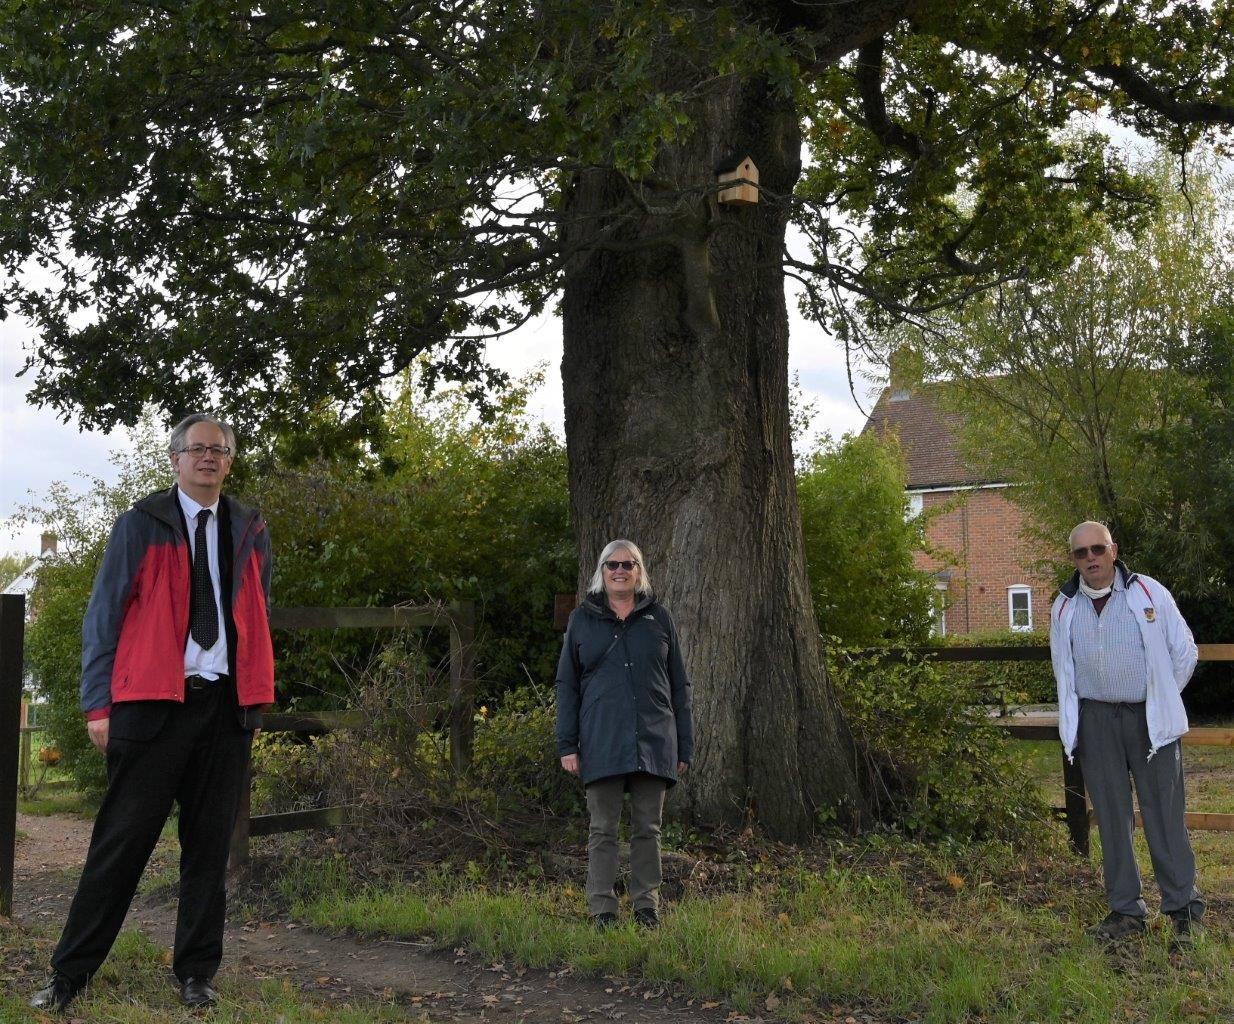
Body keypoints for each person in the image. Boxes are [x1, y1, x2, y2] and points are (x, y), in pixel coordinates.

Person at [31, 414, 274, 1011]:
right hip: (150, 706)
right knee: (120, 845)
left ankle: (196, 974)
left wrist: (253, 691)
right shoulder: (140, 525)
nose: (208, 458)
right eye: (197, 449)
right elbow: (103, 616)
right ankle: (69, 976)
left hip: (225, 708)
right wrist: (98, 704)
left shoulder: (249, 528)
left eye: (219, 450)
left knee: (208, 849)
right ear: (175, 459)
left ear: (231, 460)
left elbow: (256, 608)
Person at [1050, 521, 1203, 947]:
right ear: (1074, 560)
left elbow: (1184, 651)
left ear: (1113, 550)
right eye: (1081, 553)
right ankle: (1125, 911)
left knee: (1163, 814)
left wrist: (1160, 699)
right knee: (1112, 818)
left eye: (1098, 548)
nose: (1091, 558)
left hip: (1147, 719)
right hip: (1096, 720)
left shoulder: (1149, 592)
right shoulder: (1063, 607)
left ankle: (1183, 911)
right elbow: (1063, 669)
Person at [555, 539, 693, 929]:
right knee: (603, 830)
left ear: (638, 572)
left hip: (654, 739)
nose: (620, 571)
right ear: (601, 571)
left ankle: (646, 905)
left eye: (628, 565)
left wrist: (685, 743)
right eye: (612, 564)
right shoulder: (582, 620)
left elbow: (679, 686)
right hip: (601, 739)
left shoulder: (659, 619)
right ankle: (602, 909)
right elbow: (567, 685)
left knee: (648, 829)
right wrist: (567, 744)